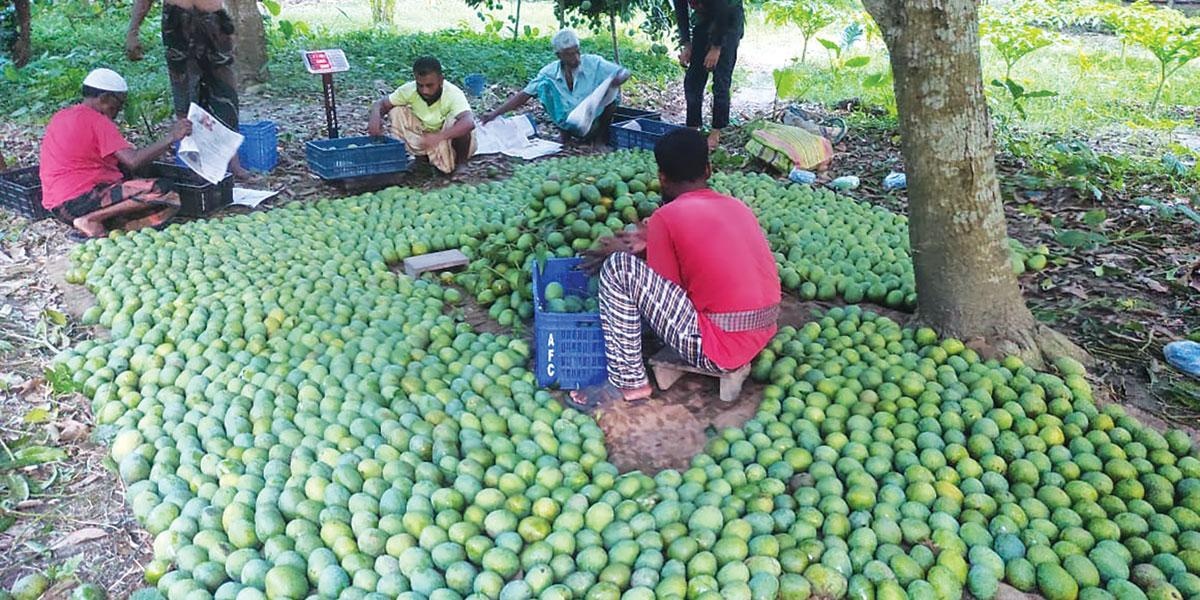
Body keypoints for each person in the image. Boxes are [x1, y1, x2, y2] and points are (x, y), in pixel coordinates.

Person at [571, 128, 780, 407]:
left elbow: (670, 289)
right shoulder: (737, 206)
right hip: (761, 331)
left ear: (662, 177)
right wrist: (652, 245)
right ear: (708, 169)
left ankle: (628, 383)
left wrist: (628, 252)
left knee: (619, 268)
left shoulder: (666, 217)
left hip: (719, 348)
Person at [39, 69, 192, 239]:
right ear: (104, 98)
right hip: (82, 201)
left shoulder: (62, 116)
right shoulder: (97, 120)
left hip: (59, 207)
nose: (118, 112)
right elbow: (133, 161)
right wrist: (172, 137)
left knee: (133, 179)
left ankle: (99, 221)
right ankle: (90, 219)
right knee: (164, 190)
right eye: (118, 105)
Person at [126, 0, 250, 178]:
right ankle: (195, 164)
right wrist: (133, 32)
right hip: (177, 20)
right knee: (184, 95)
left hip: (214, 20)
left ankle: (234, 164)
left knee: (225, 96)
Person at [483, 30, 630, 144]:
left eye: (577, 52)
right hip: (569, 118)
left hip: (595, 119)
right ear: (559, 56)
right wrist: (494, 114)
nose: (576, 58)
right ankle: (564, 135)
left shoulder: (594, 63)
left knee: (613, 94)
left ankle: (600, 140)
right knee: (544, 87)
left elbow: (624, 72)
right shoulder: (549, 73)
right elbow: (524, 95)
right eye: (569, 55)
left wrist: (618, 79)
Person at [369, 57, 476, 175]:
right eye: (420, 85)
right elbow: (381, 104)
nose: (425, 91)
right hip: (426, 136)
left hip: (448, 138)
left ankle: (461, 163)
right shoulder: (409, 90)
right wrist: (375, 120)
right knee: (397, 111)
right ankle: (421, 159)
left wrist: (439, 137)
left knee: (458, 123)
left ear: (441, 80)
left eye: (430, 85)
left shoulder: (453, 93)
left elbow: (469, 123)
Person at [675, 0, 745, 151]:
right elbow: (681, 12)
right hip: (705, 18)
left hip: (729, 19)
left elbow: (723, 10)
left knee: (721, 80)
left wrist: (716, 47)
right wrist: (687, 45)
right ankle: (693, 128)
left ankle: (716, 132)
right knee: (693, 79)